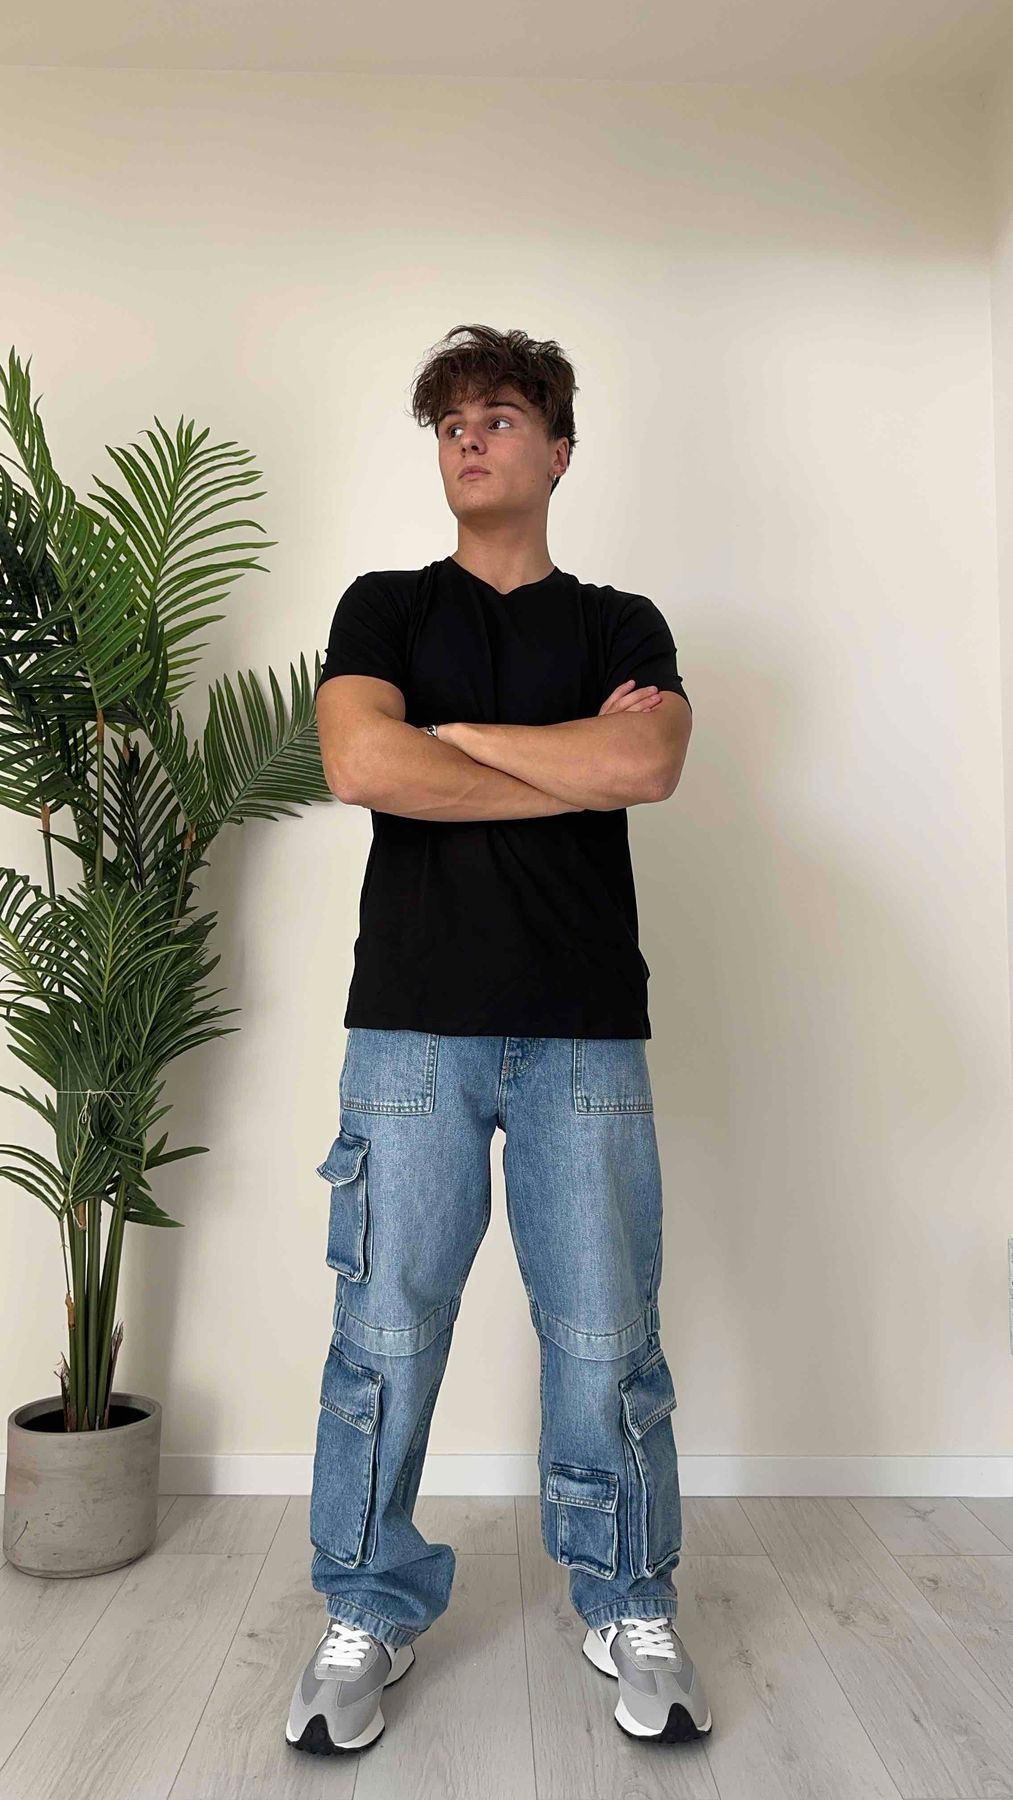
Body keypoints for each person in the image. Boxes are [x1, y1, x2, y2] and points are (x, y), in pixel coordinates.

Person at [286, 323, 711, 1757]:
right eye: (451, 422)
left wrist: (457, 743)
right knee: (383, 1338)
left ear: (560, 451)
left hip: (584, 1033)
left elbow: (647, 759)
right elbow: (361, 759)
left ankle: (628, 1599)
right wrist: (563, 764)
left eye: (502, 416)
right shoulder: (384, 606)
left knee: (605, 1342)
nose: (470, 437)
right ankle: (367, 1606)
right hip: (409, 1031)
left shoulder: (619, 623)